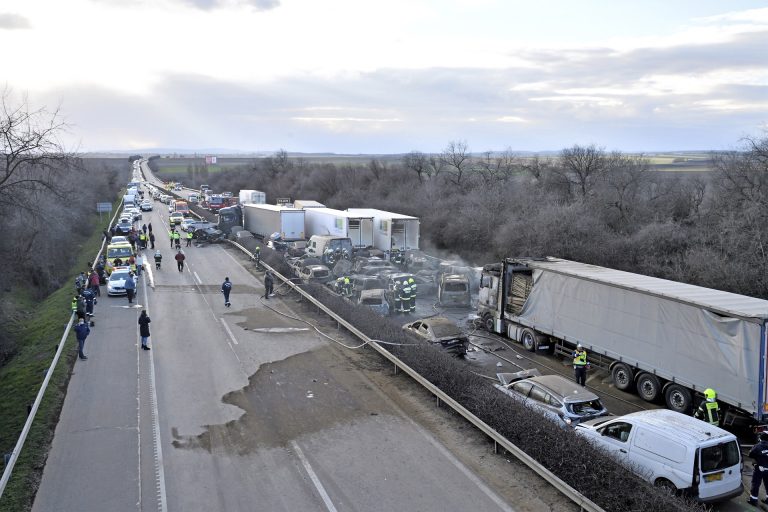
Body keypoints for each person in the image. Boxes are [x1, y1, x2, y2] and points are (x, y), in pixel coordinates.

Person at [749, 432, 768, 506]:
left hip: (760, 468)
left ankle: (753, 500)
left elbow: (750, 454)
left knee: (756, 484)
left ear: (760, 438)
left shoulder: (757, 446)